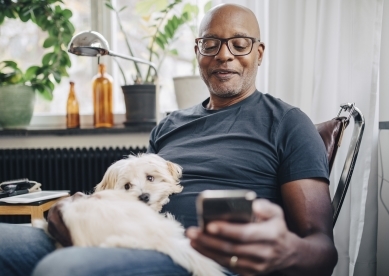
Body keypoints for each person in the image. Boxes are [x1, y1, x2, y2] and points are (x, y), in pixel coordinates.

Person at [0, 3, 337, 276]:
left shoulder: (289, 123)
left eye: (239, 43)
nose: (224, 55)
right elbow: (134, 195)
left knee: (63, 269)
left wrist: (285, 251)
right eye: (211, 43)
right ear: (198, 51)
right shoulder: (170, 125)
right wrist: (84, 205)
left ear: (259, 53)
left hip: (197, 258)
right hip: (124, 237)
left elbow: (323, 251)